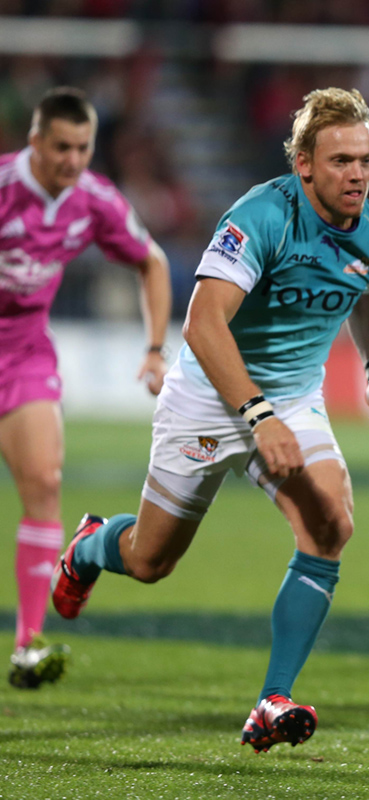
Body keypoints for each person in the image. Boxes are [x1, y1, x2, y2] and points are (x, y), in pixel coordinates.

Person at [51, 88, 369, 751]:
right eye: (340, 161)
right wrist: (255, 414)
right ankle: (94, 544)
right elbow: (204, 323)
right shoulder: (262, 215)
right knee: (152, 561)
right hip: (210, 398)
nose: (357, 174)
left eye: (366, 159)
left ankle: (272, 701)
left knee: (331, 524)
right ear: (303, 164)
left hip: (292, 401)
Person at [1, 87, 171, 689]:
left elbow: (151, 260)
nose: (73, 160)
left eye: (83, 147)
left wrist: (154, 348)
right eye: (62, 147)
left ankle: (27, 642)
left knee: (45, 482)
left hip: (22, 351)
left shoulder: (92, 200)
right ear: (34, 142)